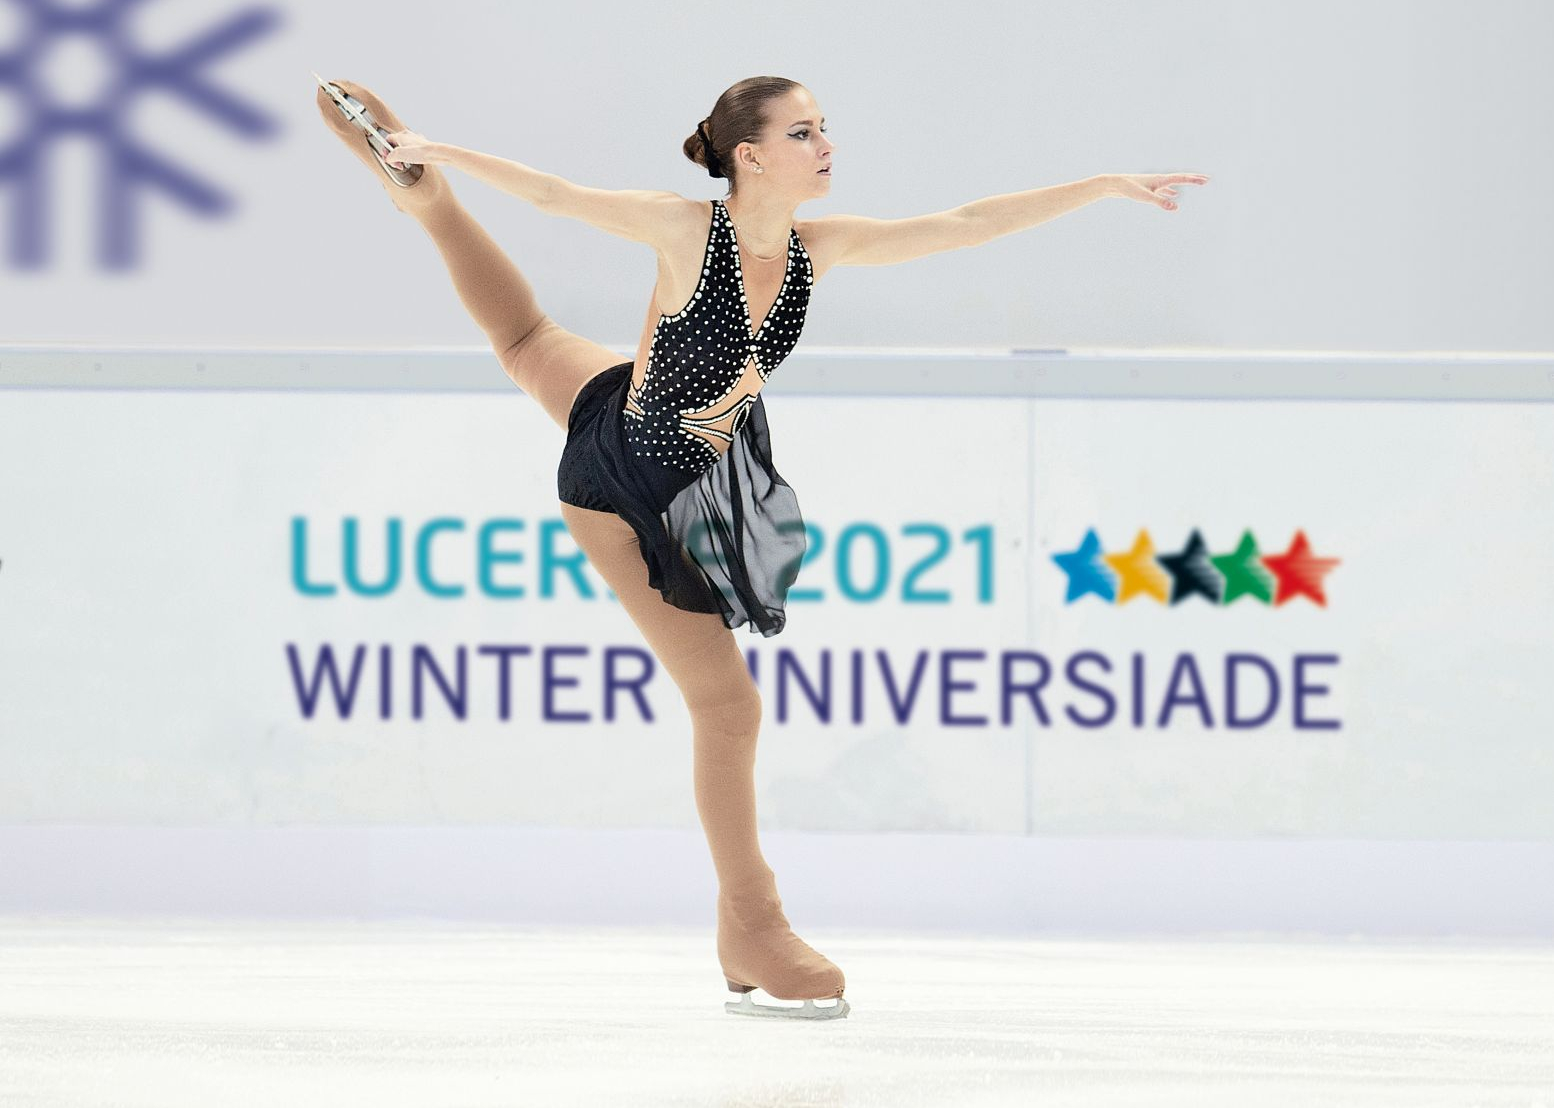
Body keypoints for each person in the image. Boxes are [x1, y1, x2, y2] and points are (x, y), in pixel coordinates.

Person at [314, 73, 1208, 1020]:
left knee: (528, 336)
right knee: (729, 707)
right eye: (805, 132)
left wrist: (1104, 184)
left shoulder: (818, 248)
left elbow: (969, 221)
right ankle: (752, 920)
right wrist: (443, 148)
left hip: (651, 421)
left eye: (826, 129)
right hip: (629, 493)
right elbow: (555, 195)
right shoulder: (681, 230)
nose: (826, 146)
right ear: (749, 154)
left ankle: (426, 207)